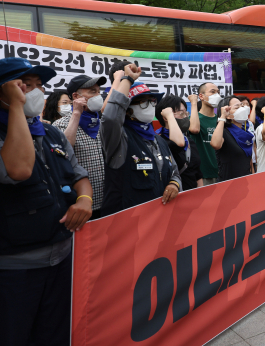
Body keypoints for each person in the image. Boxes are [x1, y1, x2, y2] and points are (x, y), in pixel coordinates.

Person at [0, 58, 93, 346]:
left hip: (62, 259)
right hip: (14, 270)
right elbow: (18, 170)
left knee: (54, 335)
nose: (36, 92)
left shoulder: (49, 131)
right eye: (24, 85)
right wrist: (16, 106)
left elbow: (78, 173)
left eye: (39, 85)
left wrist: (85, 199)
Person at [100, 65, 181, 216]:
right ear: (128, 109)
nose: (150, 106)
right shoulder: (119, 138)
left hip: (157, 221)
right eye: (143, 102)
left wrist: (174, 184)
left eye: (152, 101)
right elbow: (111, 117)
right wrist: (128, 79)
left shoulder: (159, 140)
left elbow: (174, 171)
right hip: (126, 223)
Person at [53, 74, 107, 218]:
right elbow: (65, 149)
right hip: (81, 203)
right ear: (76, 96)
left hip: (107, 200)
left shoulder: (102, 122)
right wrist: (76, 113)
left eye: (98, 91)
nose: (98, 95)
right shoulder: (61, 124)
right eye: (92, 91)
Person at [155, 95, 203, 190]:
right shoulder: (159, 141)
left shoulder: (189, 140)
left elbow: (197, 173)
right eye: (181, 113)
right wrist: (169, 115)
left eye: (186, 113)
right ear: (165, 117)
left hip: (193, 196)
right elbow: (178, 144)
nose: (185, 117)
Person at [211, 96, 254, 181]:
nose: (242, 108)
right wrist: (223, 116)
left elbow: (248, 160)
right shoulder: (224, 132)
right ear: (228, 115)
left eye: (242, 106)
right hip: (228, 184)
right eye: (237, 107)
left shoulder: (246, 133)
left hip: (245, 183)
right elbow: (215, 144)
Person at [191, 82, 221, 185]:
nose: (216, 95)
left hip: (220, 174)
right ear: (201, 96)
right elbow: (194, 129)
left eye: (218, 92)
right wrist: (194, 103)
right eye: (212, 92)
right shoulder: (194, 120)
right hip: (202, 176)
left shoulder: (220, 120)